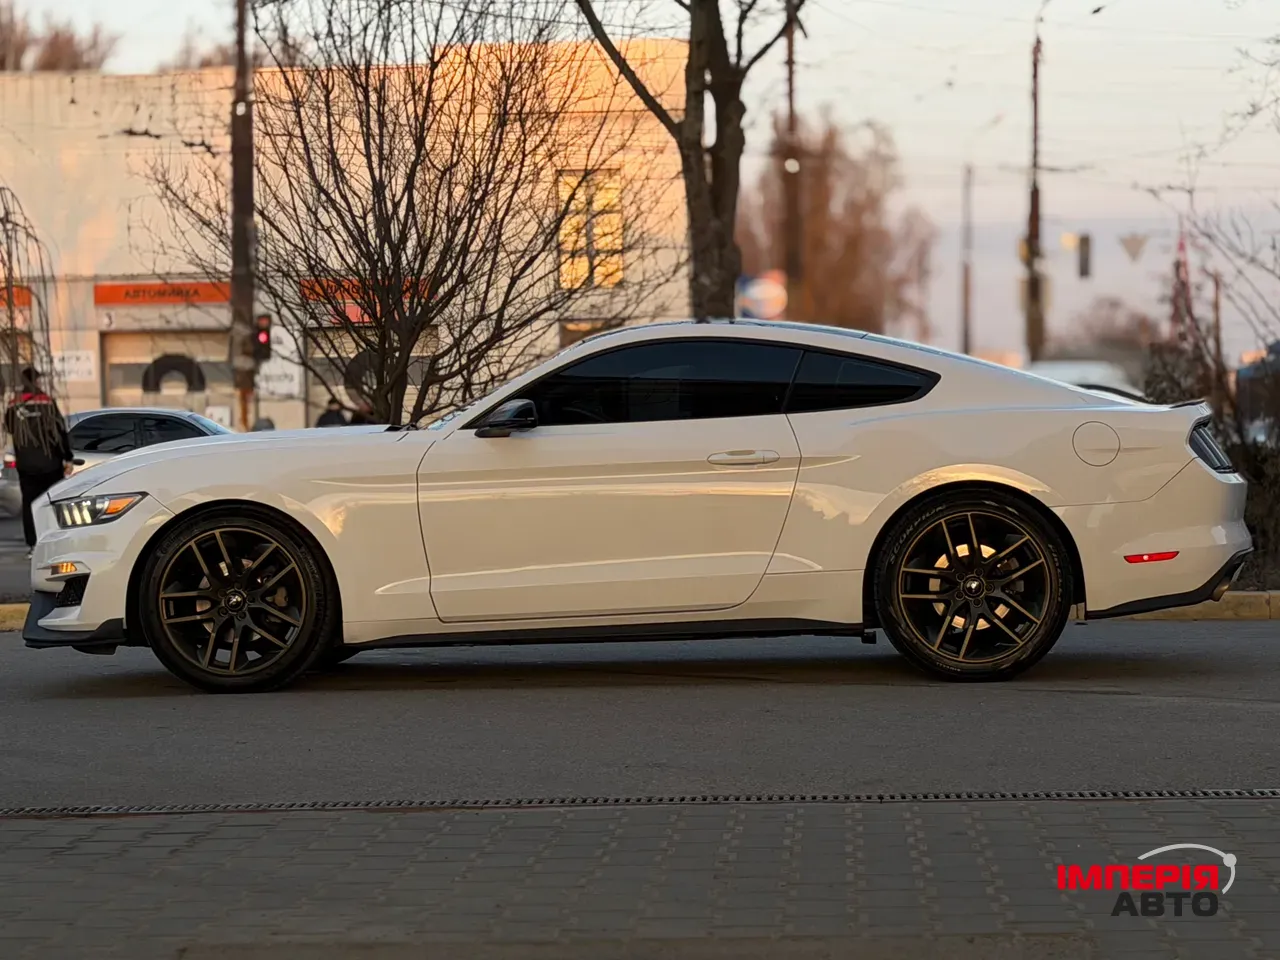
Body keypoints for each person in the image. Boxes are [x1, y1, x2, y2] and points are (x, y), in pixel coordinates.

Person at [4, 367, 73, 557]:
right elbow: (59, 432)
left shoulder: (13, 404)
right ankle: (53, 542)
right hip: (50, 463)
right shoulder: (47, 402)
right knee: (52, 502)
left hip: (26, 463)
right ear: (35, 381)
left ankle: (33, 546)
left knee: (30, 504)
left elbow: (9, 428)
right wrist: (67, 456)